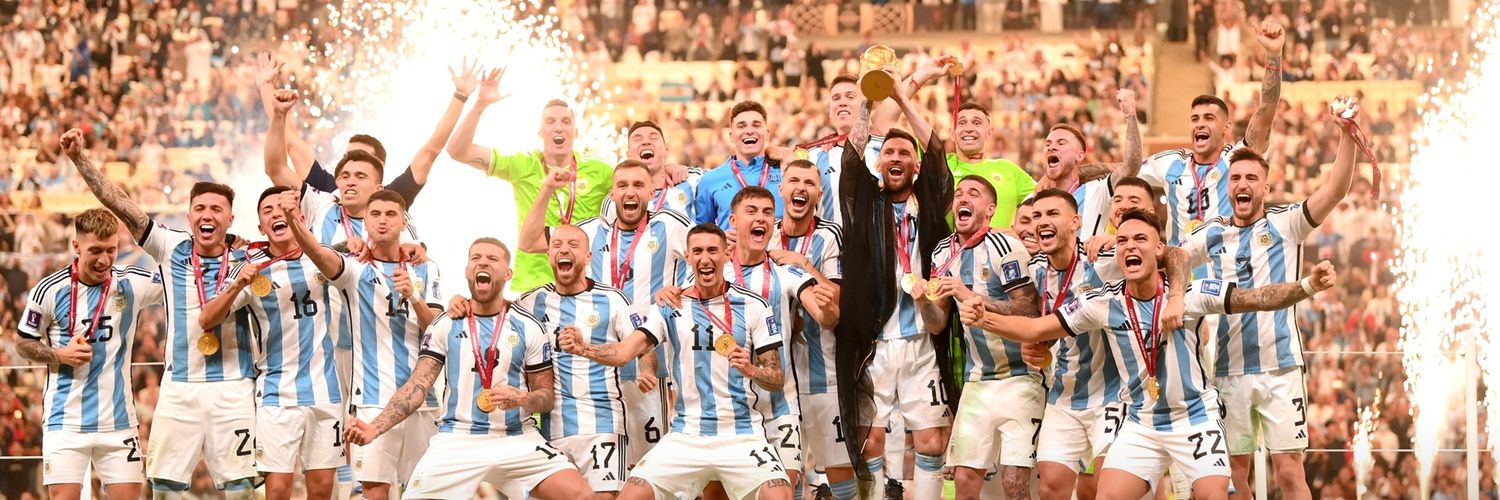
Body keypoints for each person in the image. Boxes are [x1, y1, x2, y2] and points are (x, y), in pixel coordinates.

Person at [958, 209, 1338, 500]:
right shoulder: (1102, 303)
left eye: (1140, 238)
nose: (1130, 246)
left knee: (1213, 496)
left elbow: (1255, 298)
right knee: (1107, 496)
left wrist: (1308, 285)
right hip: (1142, 423)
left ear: (1159, 249)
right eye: (1122, 240)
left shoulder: (1189, 294)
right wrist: (983, 317)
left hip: (1195, 419)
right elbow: (1036, 329)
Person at [67, 128, 260, 498]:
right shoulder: (170, 246)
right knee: (165, 489)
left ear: (231, 219)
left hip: (234, 387)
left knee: (241, 490)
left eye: (216, 209)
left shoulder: (247, 257)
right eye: (200, 208)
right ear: (188, 216)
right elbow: (118, 202)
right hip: (179, 387)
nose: (207, 214)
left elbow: (296, 250)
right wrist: (79, 159)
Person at [1181, 119, 1359, 500]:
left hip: (1281, 367)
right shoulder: (1211, 233)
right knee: (1233, 475)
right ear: (1228, 188)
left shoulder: (1287, 224)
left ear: (1265, 187)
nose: (1242, 184)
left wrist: (1347, 135)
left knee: (1290, 472)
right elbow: (1172, 258)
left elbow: (1335, 189)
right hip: (1228, 369)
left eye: (1251, 178)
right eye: (1235, 178)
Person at [345, 238, 596, 499]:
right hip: (456, 439)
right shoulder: (445, 324)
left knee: (582, 496)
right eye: (476, 258)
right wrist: (374, 427)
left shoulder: (529, 326)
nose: (483, 262)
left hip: (517, 438)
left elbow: (545, 397)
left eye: (493, 259)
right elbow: (417, 385)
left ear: (508, 273)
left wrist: (522, 398)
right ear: (467, 271)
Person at [559, 224, 795, 500]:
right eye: (698, 251)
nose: (705, 258)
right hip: (686, 434)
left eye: (712, 250)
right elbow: (624, 353)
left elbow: (776, 379)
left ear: (727, 254)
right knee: (630, 497)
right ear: (687, 257)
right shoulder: (670, 306)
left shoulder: (754, 306)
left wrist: (751, 369)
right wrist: (583, 348)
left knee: (780, 496)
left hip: (741, 434)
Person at [516, 161, 691, 466]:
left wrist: (680, 290)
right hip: (593, 375)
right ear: (612, 193)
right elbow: (529, 241)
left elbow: (708, 256)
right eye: (622, 185)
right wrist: (546, 188)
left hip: (645, 367)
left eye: (638, 185)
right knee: (601, 467)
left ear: (652, 191)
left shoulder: (670, 225)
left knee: (648, 465)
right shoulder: (590, 230)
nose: (630, 192)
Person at [282, 189, 444, 500]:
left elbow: (436, 330)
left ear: (404, 222)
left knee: (425, 491)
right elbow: (318, 254)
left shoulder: (425, 268)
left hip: (422, 400)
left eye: (391, 214)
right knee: (373, 489)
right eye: (375, 215)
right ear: (365, 223)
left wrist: (414, 296)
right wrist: (294, 221)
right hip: (370, 399)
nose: (383, 221)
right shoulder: (353, 268)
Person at [832, 81, 953, 498]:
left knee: (932, 441)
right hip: (876, 341)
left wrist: (902, 99)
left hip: (923, 337)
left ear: (915, 166)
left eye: (905, 153)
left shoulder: (931, 203)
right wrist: (869, 98)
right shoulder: (866, 201)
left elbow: (936, 151)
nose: (896, 157)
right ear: (879, 162)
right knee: (870, 441)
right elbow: (851, 158)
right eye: (889, 153)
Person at [197, 186, 344, 500]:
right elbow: (207, 318)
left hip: (325, 389)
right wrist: (237, 284)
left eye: (283, 207)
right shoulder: (251, 268)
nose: (277, 213)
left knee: (321, 490)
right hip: (277, 393)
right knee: (276, 491)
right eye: (268, 211)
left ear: (299, 217)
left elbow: (359, 255)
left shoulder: (323, 257)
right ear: (261, 228)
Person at [910, 174, 1041, 499]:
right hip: (977, 379)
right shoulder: (943, 252)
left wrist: (969, 295)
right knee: (965, 482)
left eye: (974, 193)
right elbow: (937, 324)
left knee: (1014, 484)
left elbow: (1029, 309)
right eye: (958, 193)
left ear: (991, 209)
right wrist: (923, 301)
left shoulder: (1006, 246)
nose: (963, 198)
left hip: (1021, 377)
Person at [16, 209, 161, 500]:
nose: (104, 259)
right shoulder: (49, 290)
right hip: (65, 420)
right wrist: (59, 355)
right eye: (95, 250)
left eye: (111, 250)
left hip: (119, 422)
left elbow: (180, 279)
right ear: (77, 246)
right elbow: (23, 343)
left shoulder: (132, 282)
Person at [712, 186, 839, 497]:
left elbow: (826, 317)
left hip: (780, 403)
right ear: (733, 221)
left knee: (784, 488)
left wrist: (828, 307)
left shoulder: (786, 271)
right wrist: (670, 292)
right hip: (730, 409)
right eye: (752, 211)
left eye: (768, 213)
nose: (761, 218)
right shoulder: (714, 272)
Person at [446, 68, 614, 292]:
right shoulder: (523, 164)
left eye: (565, 121)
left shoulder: (601, 170)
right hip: (533, 286)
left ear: (575, 131)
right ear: (540, 132)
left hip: (584, 283)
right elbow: (458, 151)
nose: (558, 127)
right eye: (550, 121)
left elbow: (641, 186)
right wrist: (480, 104)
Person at [255, 53, 477, 212]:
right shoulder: (326, 193)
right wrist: (266, 86)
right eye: (347, 158)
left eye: (361, 161)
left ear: (379, 168)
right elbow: (290, 143)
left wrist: (460, 96)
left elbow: (431, 151)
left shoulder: (393, 198)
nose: (351, 166)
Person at [513, 224, 642, 496]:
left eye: (573, 245)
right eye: (557, 244)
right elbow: (494, 315)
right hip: (550, 425)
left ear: (588, 256)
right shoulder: (530, 302)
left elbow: (640, 344)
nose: (564, 249)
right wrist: (460, 302)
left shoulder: (612, 299)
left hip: (602, 422)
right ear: (548, 255)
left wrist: (649, 370)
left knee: (604, 496)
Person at [1141, 22, 1284, 246]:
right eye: (1195, 119)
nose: (1200, 124)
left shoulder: (1238, 159)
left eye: (1209, 118)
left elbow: (1266, 110)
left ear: (1226, 128)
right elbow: (1121, 173)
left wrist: (1273, 56)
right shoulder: (1170, 162)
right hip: (1180, 266)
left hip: (1229, 265)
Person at [770, 159, 852, 499]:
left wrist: (803, 264)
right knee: (785, 474)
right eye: (793, 181)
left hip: (822, 369)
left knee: (839, 468)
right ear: (782, 188)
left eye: (808, 183)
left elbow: (837, 299)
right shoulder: (765, 233)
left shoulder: (830, 235)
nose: (800, 188)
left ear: (819, 194)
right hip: (778, 377)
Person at [1034, 89, 1144, 238]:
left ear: (1080, 155)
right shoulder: (1035, 197)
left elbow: (1131, 166)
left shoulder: (1096, 192)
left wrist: (1130, 115)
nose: (1051, 147)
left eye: (1061, 143)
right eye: (1047, 144)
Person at [947, 102, 1037, 229]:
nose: (969, 128)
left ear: (989, 133)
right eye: (962, 123)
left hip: (1001, 242)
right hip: (951, 242)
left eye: (976, 123)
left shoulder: (1007, 169)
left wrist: (1018, 231)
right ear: (952, 133)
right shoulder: (941, 165)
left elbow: (1046, 197)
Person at [694, 100, 783, 228]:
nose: (749, 131)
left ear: (767, 134)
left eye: (756, 125)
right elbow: (702, 231)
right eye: (741, 126)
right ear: (731, 136)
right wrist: (721, 236)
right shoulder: (710, 180)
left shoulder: (786, 172)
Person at [602, 121, 698, 223]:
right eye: (638, 139)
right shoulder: (614, 200)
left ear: (665, 150)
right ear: (628, 154)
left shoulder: (691, 179)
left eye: (653, 138)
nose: (646, 142)